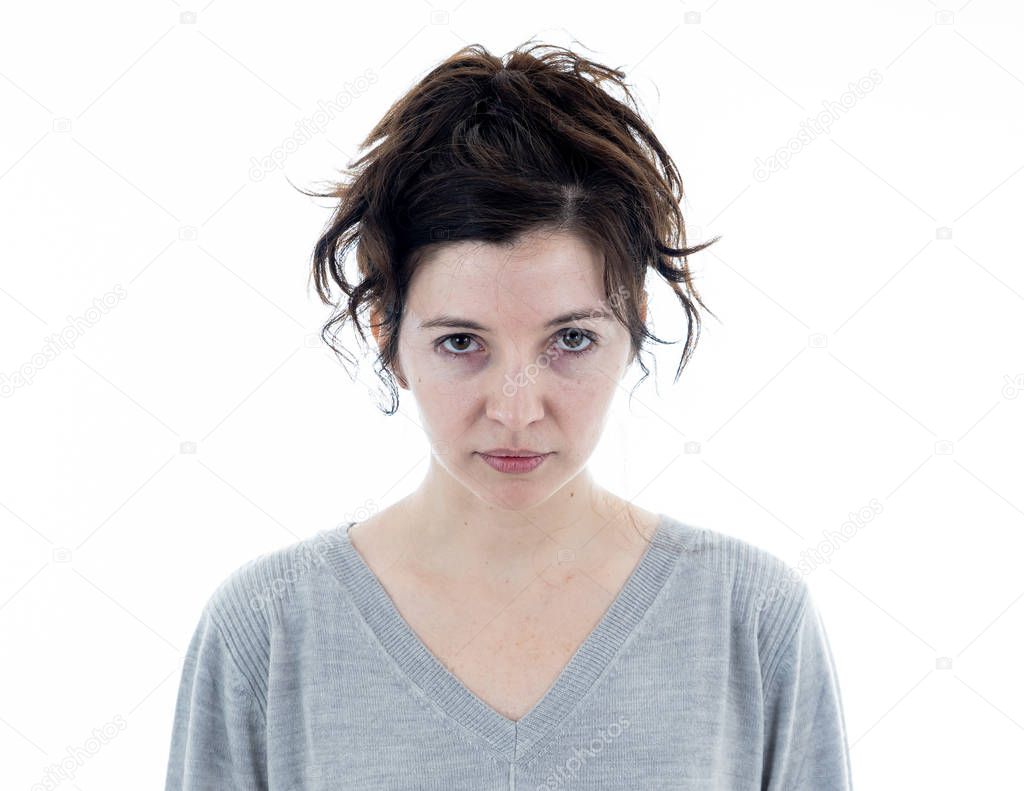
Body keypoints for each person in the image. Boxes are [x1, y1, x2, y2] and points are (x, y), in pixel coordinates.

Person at [164, 40, 854, 790]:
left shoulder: (751, 624)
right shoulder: (267, 634)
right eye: (462, 342)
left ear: (634, 329)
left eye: (571, 339)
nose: (517, 409)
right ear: (388, 339)